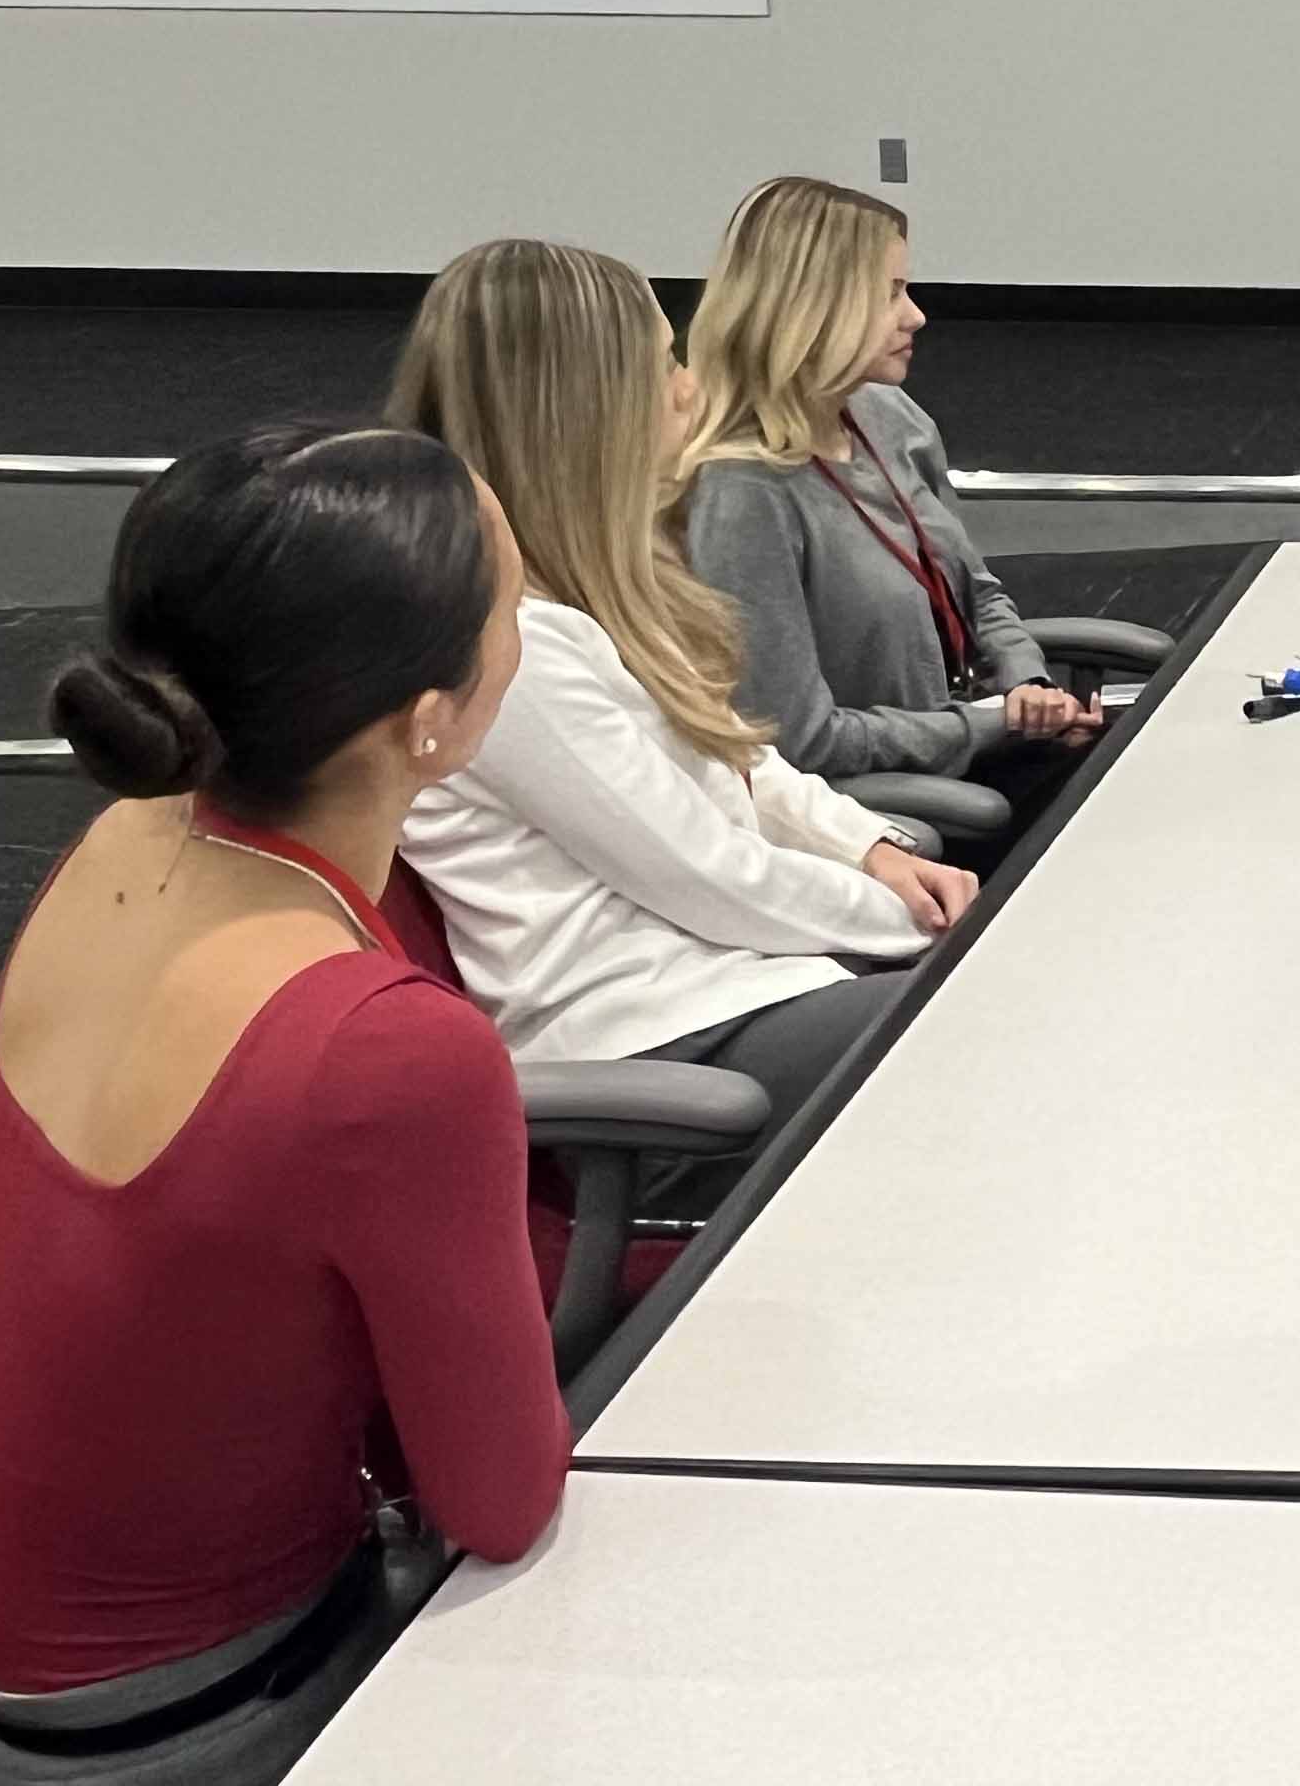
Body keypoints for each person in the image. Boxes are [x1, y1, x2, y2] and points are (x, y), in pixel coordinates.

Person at [0, 420, 562, 1780]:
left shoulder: (123, 846)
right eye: (515, 607)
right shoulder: (388, 1053)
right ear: (429, 718)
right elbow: (500, 1503)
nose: (532, 629)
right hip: (210, 1722)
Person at [388, 239, 975, 1187]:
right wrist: (902, 915)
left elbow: (740, 756)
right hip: (651, 1056)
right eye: (663, 363)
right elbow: (703, 875)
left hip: (733, 989)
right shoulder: (514, 650)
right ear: (583, 408)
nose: (689, 388)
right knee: (1012, 1014)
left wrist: (869, 848)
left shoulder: (594, 587)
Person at [677, 175, 1100, 782]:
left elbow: (973, 589)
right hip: (899, 802)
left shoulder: (886, 414)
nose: (917, 316)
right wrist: (988, 726)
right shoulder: (744, 493)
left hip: (973, 749)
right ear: (812, 308)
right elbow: (800, 742)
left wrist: (1026, 681)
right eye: (890, 294)